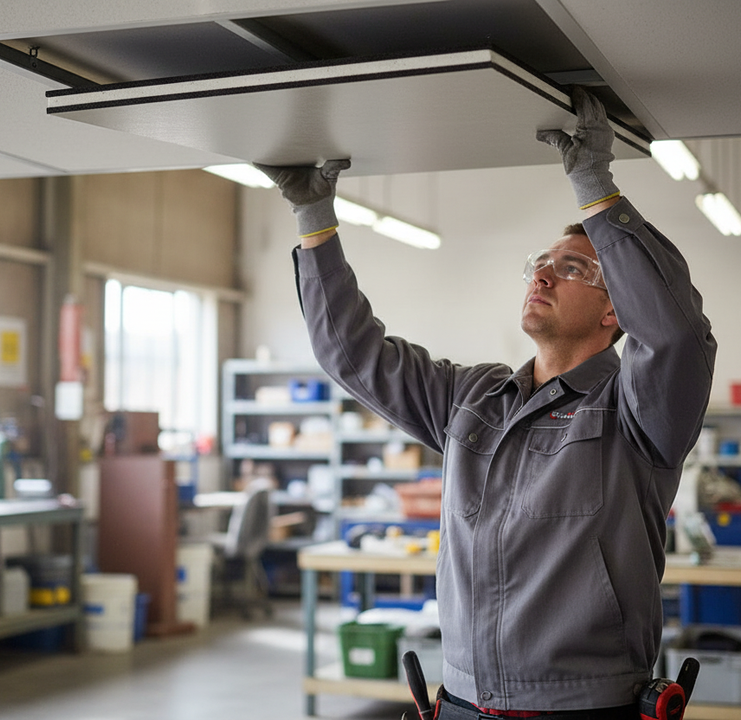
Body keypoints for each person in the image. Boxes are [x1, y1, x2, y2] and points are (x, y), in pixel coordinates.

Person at [256, 87, 717, 720]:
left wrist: (596, 189)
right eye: (541, 263)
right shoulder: (470, 396)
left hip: (584, 709)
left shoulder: (640, 410)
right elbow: (352, 356)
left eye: (574, 269)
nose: (544, 276)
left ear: (616, 311)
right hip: (462, 700)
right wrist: (314, 222)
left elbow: (676, 334)